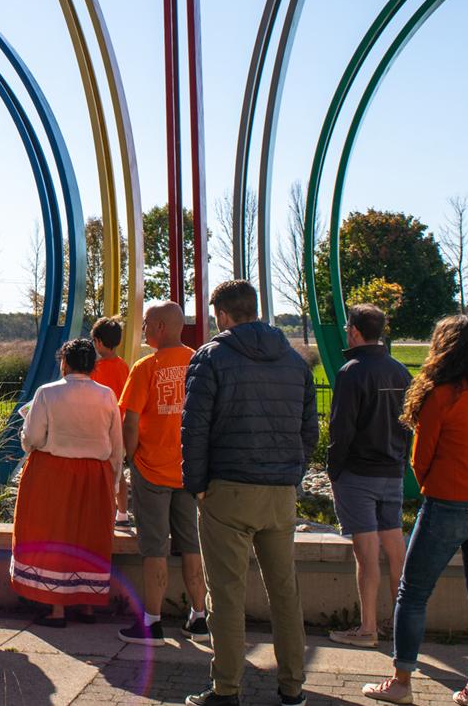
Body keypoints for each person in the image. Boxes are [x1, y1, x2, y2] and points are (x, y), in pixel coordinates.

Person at [363, 315, 468, 706]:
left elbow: (421, 459)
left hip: (450, 502)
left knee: (413, 593)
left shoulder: (440, 395)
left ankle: (401, 682)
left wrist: (434, 486)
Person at [181, 281, 318, 706]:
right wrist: (290, 472)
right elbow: (308, 431)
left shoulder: (212, 358)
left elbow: (195, 428)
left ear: (222, 314)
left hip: (227, 488)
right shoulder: (295, 363)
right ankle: (293, 687)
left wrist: (197, 486)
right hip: (278, 492)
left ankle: (226, 688)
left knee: (225, 594)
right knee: (285, 592)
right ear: (255, 310)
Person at [10, 338, 122, 626]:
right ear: (93, 365)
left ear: (65, 362)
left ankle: (56, 608)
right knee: (87, 535)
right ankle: (86, 604)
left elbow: (32, 438)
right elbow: (116, 444)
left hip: (52, 472)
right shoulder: (107, 395)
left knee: (53, 535)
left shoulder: (48, 393)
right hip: (95, 473)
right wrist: (113, 478)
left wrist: (25, 436)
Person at [117, 302, 208, 646]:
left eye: (144, 324)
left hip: (152, 469)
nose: (142, 329)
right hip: (190, 470)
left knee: (154, 548)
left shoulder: (145, 367)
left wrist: (131, 457)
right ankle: (199, 615)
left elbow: (131, 420)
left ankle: (151, 622)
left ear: (158, 327)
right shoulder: (200, 361)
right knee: (191, 545)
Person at [325, 304, 412, 648]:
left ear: (356, 331)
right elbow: (409, 424)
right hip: (392, 469)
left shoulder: (352, 372)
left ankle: (368, 628)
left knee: (365, 551)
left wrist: (334, 469)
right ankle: (402, 625)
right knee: (394, 547)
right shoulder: (400, 371)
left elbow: (340, 428)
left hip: (358, 473)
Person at [90, 317, 132, 529]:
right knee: (119, 474)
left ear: (97, 342)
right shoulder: (124, 367)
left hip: (99, 429)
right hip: (120, 428)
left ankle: (105, 514)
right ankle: (123, 514)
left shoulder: (95, 369)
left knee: (101, 475)